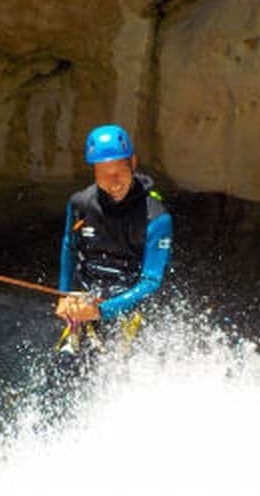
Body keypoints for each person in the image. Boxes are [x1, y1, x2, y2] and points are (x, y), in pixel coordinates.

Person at [55, 124, 173, 353]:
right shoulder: (80, 204)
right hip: (90, 298)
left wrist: (103, 311)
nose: (114, 183)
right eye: (104, 175)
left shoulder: (157, 218)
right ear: (94, 172)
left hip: (131, 305)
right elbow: (69, 247)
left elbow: (151, 281)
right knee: (64, 366)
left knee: (119, 367)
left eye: (120, 172)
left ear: (134, 163)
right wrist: (64, 295)